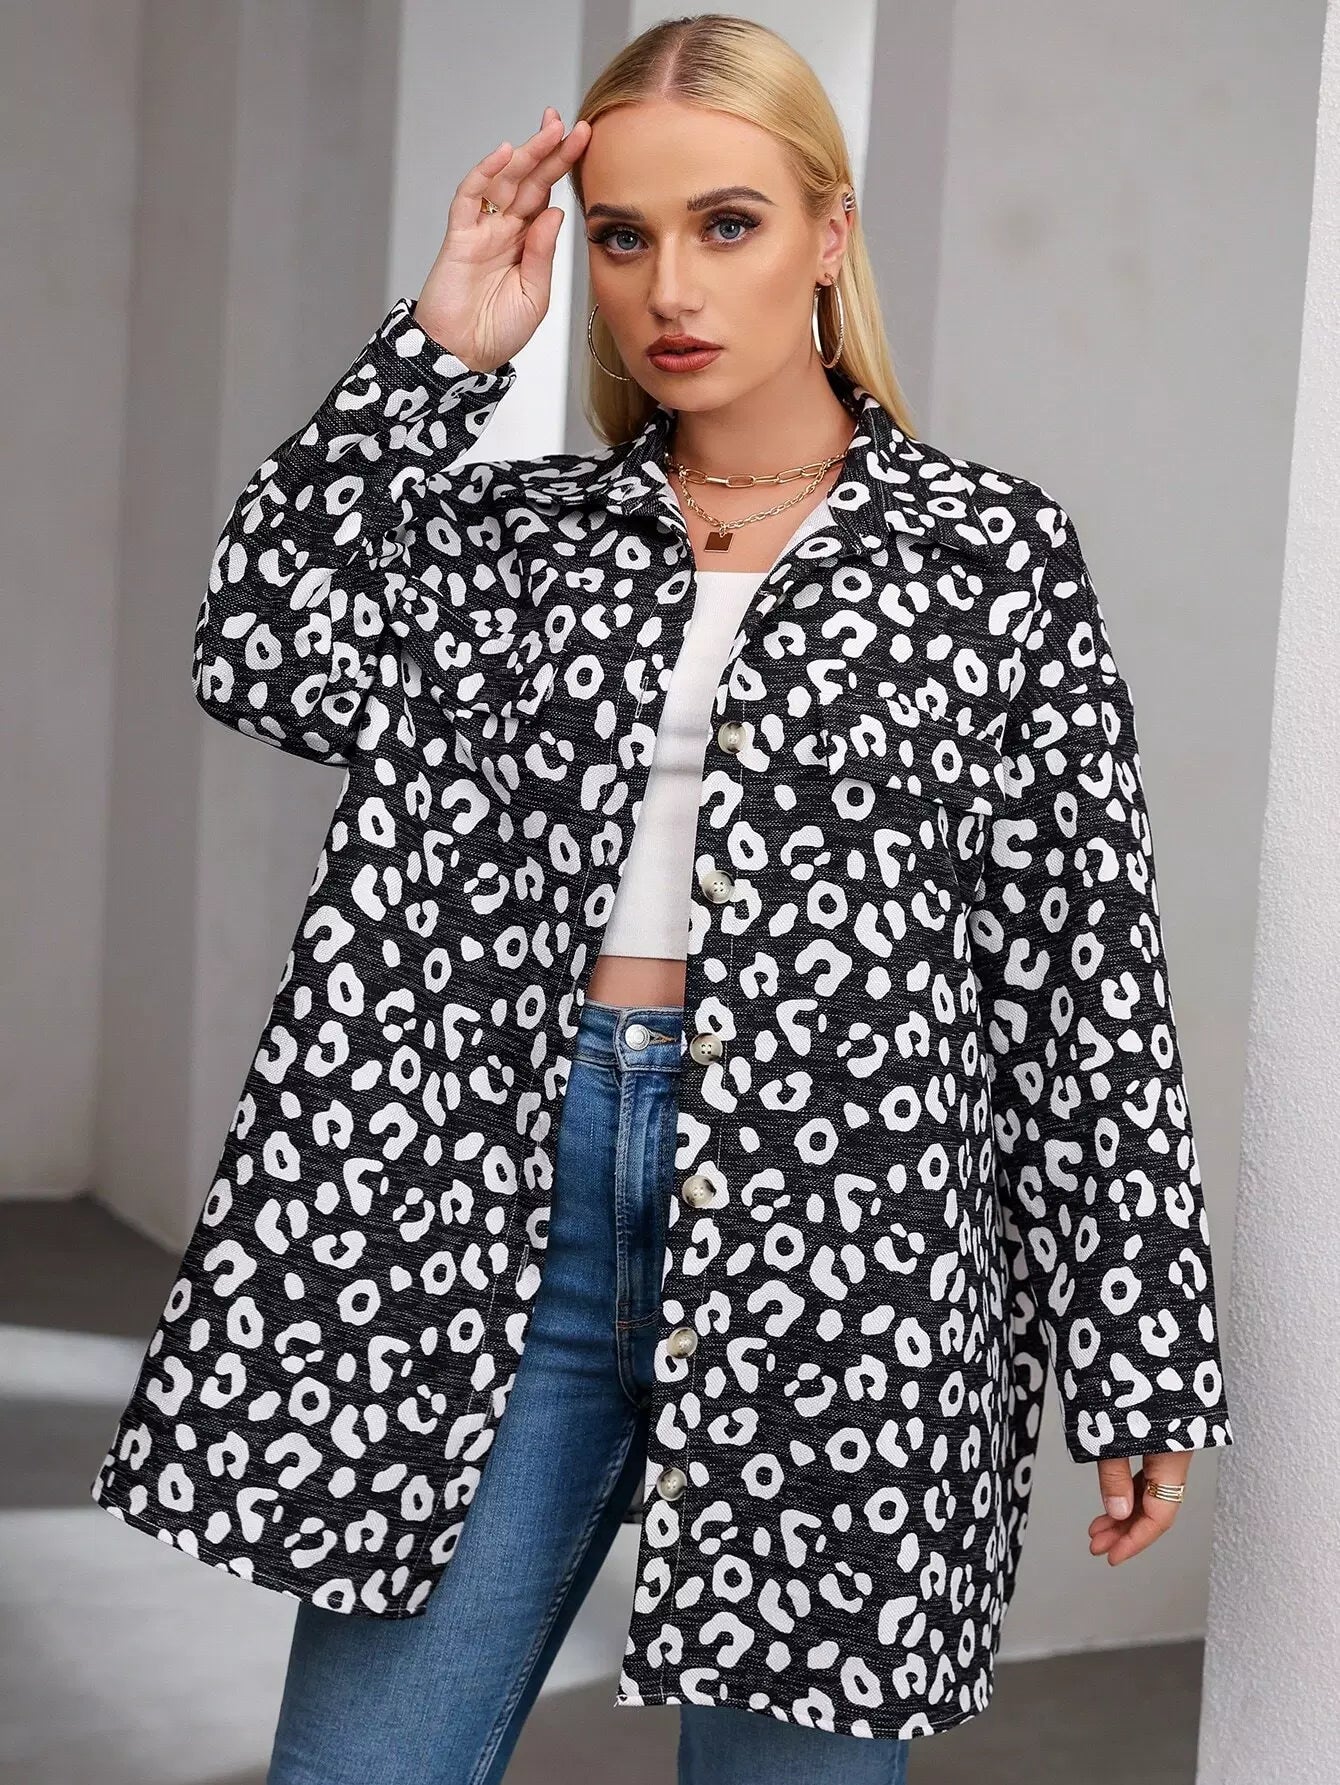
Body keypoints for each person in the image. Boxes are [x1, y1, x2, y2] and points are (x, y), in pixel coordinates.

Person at [89, 14, 1235, 1784]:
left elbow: (1080, 973)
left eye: (728, 223)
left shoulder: (988, 556)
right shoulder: (513, 544)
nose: (668, 287)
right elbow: (260, 642)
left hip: (847, 1244)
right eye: (622, 235)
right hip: (497, 1217)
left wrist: (1137, 1346)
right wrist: (438, 349)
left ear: (829, 235)